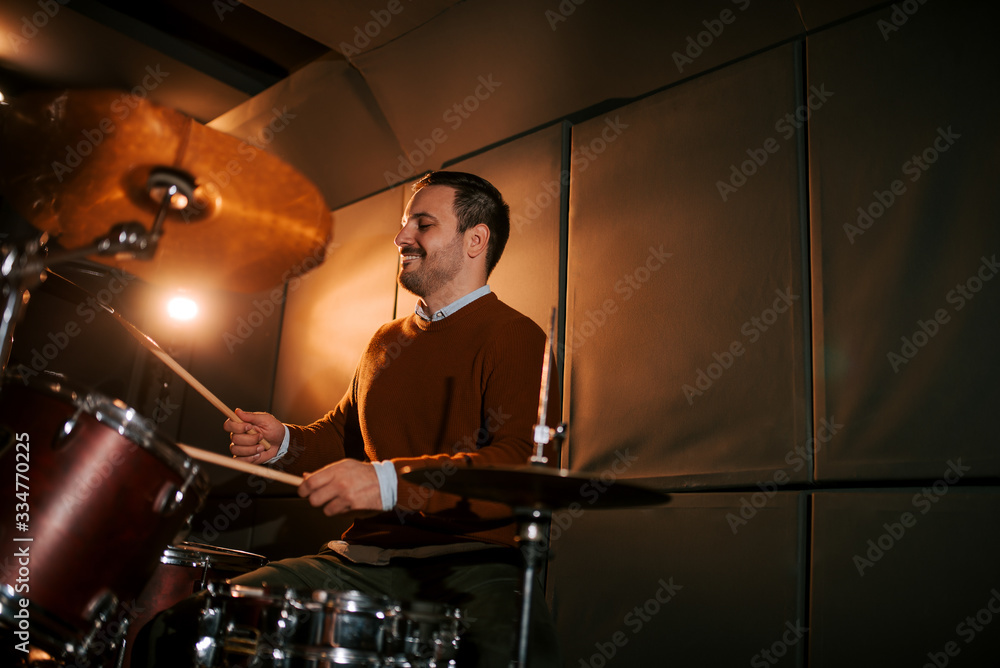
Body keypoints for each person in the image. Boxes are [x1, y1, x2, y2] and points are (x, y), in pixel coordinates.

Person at [218, 171, 561, 667]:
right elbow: (344, 436)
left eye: (422, 224)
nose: (402, 238)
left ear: (475, 240)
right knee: (207, 617)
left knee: (516, 655)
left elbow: (516, 465)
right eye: (405, 225)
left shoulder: (516, 336)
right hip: (357, 559)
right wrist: (286, 443)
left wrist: (389, 484)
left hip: (470, 564)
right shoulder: (384, 340)